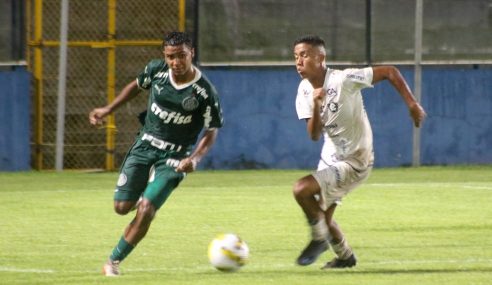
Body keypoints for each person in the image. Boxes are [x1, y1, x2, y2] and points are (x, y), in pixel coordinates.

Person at [89, 31, 224, 276]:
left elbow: (211, 130)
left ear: (191, 53)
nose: (176, 62)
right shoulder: (156, 71)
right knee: (121, 207)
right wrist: (108, 109)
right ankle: (144, 199)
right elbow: (135, 86)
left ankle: (113, 261)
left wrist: (194, 158)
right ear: (164, 56)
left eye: (182, 56)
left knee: (146, 209)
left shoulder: (204, 92)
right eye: (171, 57)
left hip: (175, 159)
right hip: (144, 146)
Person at [292, 35, 426, 269]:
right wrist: (316, 104)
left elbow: (390, 72)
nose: (298, 61)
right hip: (330, 156)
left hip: (355, 161)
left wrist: (412, 103)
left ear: (320, 57)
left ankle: (318, 239)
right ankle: (345, 256)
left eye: (304, 55)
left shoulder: (344, 79)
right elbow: (314, 135)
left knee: (301, 189)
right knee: (324, 217)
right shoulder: (304, 90)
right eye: (295, 57)